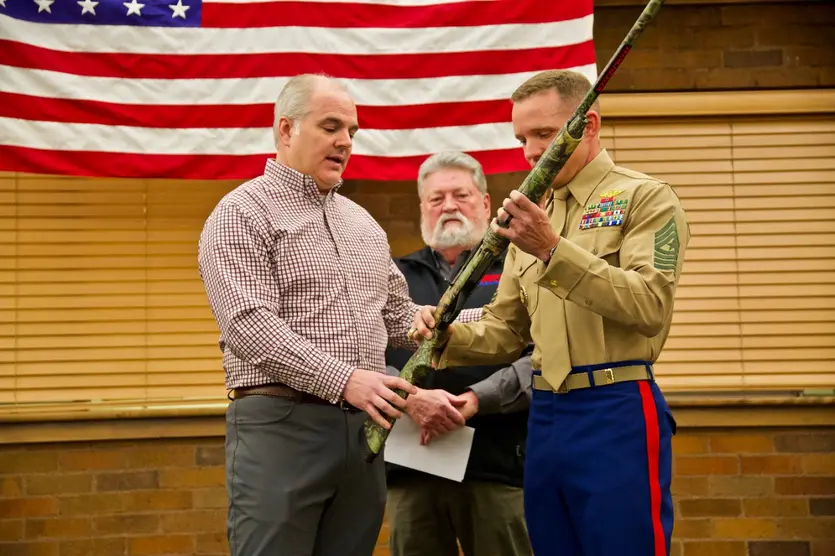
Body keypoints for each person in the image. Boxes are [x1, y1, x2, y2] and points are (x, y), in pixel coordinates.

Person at [411, 69, 691, 556]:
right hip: (544, 417)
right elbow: (506, 330)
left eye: (545, 133)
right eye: (522, 137)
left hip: (616, 405)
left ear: (590, 124)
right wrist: (444, 337)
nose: (531, 151)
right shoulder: (533, 213)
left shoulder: (645, 197)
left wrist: (552, 248)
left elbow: (650, 306)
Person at [197, 73, 421, 556]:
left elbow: (403, 321)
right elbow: (248, 324)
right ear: (285, 130)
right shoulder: (240, 213)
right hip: (280, 428)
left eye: (352, 132)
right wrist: (347, 381)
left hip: (362, 437)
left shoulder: (363, 224)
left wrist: (507, 310)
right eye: (331, 126)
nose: (345, 141)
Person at [385, 151, 534, 556]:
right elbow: (363, 354)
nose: (448, 206)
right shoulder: (392, 277)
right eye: (436, 198)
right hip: (412, 467)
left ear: (486, 203)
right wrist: (413, 401)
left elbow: (543, 358)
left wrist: (473, 400)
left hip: (498, 466)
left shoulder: (519, 268)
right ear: (422, 208)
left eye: (461, 195)